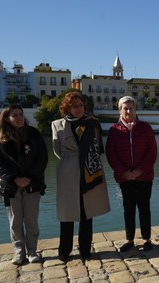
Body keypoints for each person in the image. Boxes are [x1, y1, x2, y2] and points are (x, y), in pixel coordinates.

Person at [52, 91, 111, 261]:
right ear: (67, 108)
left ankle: (85, 249)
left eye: (80, 105)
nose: (78, 109)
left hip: (89, 168)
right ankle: (64, 250)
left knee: (87, 210)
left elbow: (99, 147)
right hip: (68, 171)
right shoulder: (57, 124)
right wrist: (71, 161)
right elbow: (57, 150)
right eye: (74, 106)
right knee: (67, 212)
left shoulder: (92, 124)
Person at [0, 105, 48, 265]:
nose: (19, 118)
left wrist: (28, 178)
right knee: (15, 221)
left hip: (32, 184)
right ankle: (18, 252)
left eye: (21, 114)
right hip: (11, 186)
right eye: (15, 115)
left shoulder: (33, 134)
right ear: (7, 118)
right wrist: (15, 179)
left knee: (31, 220)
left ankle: (32, 251)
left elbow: (42, 158)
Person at [106, 96, 158, 252]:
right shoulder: (114, 130)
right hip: (125, 177)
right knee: (128, 208)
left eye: (131, 108)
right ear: (120, 110)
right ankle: (129, 239)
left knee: (144, 207)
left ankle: (147, 238)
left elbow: (152, 152)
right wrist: (124, 172)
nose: (128, 111)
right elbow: (111, 154)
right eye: (125, 108)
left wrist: (139, 170)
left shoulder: (145, 128)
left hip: (144, 176)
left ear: (136, 109)